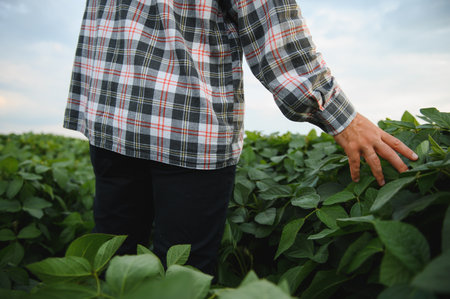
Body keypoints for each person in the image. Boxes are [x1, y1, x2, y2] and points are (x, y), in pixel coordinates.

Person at [63, 0, 417, 276]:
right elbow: (271, 22)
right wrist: (342, 118)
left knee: (113, 258)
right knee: (182, 276)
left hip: (109, 114)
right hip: (187, 125)